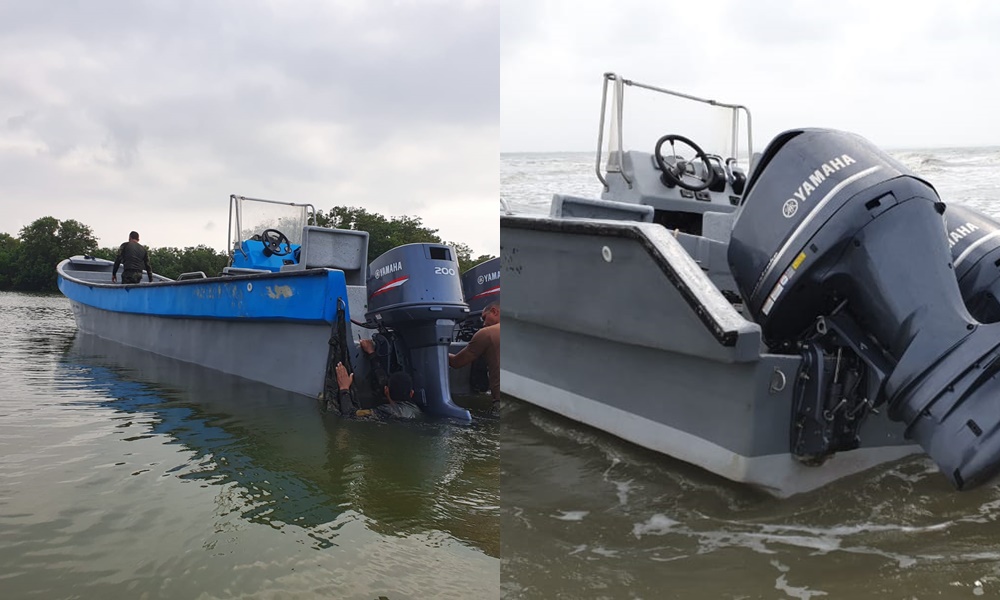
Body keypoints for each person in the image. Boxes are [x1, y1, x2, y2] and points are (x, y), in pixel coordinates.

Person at [334, 338, 421, 419]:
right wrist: (372, 353)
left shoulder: (386, 411)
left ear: (386, 390)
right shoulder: (416, 411)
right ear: (411, 393)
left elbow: (350, 414)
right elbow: (382, 381)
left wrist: (344, 389)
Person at [449, 300, 500, 403]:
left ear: (494, 311)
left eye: (485, 318)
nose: (484, 324)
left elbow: (456, 362)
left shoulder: (487, 333)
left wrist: (439, 351)